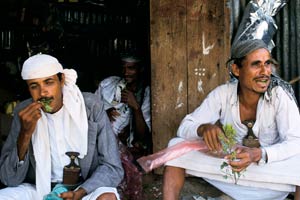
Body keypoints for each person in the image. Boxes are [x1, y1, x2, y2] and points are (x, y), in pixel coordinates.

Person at [162, 39, 300, 200]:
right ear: (236, 69)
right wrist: (203, 128)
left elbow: (296, 142)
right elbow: (185, 127)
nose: (265, 72)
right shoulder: (223, 94)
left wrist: (260, 154)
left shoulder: (279, 95)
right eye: (256, 64)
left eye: (267, 63)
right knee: (175, 147)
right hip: (232, 170)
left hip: (269, 172)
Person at [0, 54, 124, 200]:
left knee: (107, 198)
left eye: (49, 82)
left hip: (84, 187)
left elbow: (112, 167)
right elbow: (8, 178)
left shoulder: (90, 107)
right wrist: (25, 134)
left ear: (61, 80)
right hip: (39, 187)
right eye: (34, 86)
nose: (43, 92)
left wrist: (80, 192)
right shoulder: (24, 112)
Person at [95, 53, 151, 199]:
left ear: (141, 69)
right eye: (123, 68)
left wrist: (135, 107)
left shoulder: (146, 93)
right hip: (102, 140)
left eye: (131, 68)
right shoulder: (108, 85)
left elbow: (143, 136)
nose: (126, 72)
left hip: (127, 147)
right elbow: (90, 113)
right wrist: (103, 113)